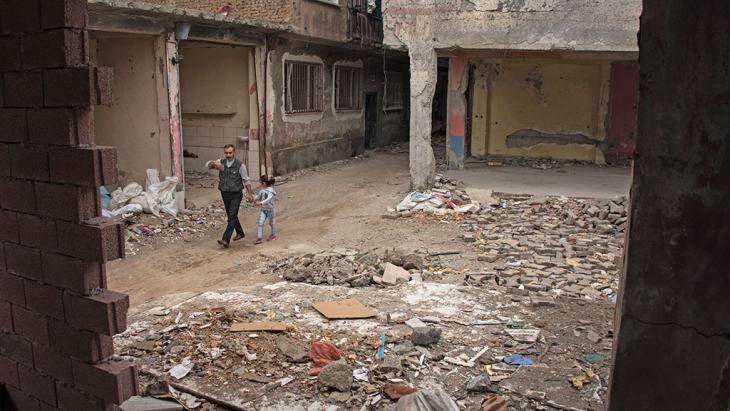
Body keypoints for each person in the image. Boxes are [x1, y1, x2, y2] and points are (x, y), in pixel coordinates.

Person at [207, 144, 253, 248]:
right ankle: (240, 232)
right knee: (231, 214)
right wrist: (214, 163)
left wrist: (250, 193)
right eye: (226, 153)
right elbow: (209, 166)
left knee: (231, 216)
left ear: (234, 152)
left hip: (236, 193)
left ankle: (225, 239)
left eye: (230, 153)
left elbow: (246, 180)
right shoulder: (221, 162)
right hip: (224, 192)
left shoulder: (240, 165)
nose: (228, 155)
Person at [253, 175, 277, 244]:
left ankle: (273, 235)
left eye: (261, 182)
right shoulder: (262, 191)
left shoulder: (271, 191)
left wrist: (261, 203)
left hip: (270, 210)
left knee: (271, 223)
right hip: (263, 210)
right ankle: (259, 237)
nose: (260, 183)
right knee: (260, 223)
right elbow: (258, 197)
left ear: (264, 183)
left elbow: (268, 199)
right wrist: (252, 198)